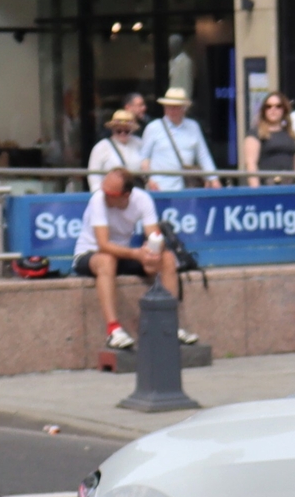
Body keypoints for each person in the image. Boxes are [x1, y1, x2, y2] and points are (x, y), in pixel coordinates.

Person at [80, 168, 197, 350]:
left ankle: (171, 325)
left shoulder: (142, 199)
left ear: (126, 195)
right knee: (107, 260)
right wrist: (137, 254)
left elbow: (153, 235)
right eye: (103, 190)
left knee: (167, 258)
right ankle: (113, 330)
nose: (104, 196)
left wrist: (153, 252)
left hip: (123, 254)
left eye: (110, 194)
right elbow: (103, 245)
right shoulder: (98, 200)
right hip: (90, 254)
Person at [139, 86, 214, 190]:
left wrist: (213, 179)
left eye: (176, 107)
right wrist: (149, 180)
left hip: (188, 187)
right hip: (160, 187)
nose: (172, 110)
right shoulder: (153, 127)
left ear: (184, 108)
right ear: (164, 107)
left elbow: (203, 155)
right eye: (169, 106)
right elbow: (144, 158)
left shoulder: (193, 126)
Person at [242, 92, 295, 187]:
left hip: (290, 187)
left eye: (278, 106)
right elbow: (251, 164)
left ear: (284, 109)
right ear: (264, 110)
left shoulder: (290, 134)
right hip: (267, 186)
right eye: (268, 106)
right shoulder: (255, 133)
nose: (273, 109)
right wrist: (257, 190)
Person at [88, 110, 151, 191]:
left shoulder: (139, 144)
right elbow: (94, 176)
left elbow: (147, 168)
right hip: (111, 194)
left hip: (136, 193)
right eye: (119, 130)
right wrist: (99, 194)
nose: (122, 133)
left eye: (126, 131)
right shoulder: (101, 147)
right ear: (112, 129)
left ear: (132, 130)